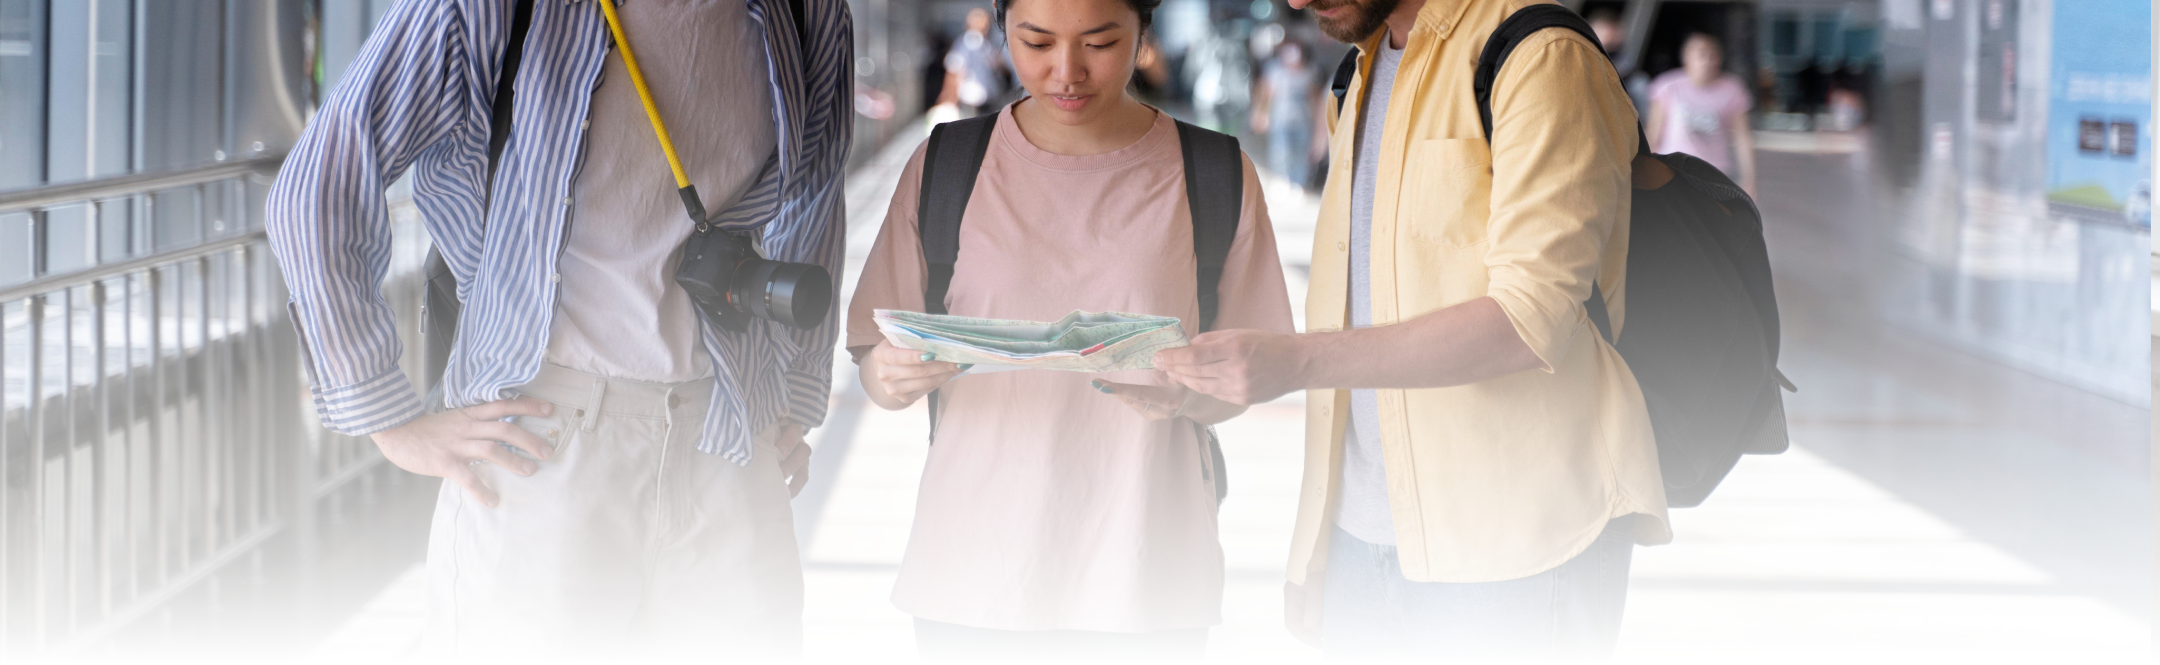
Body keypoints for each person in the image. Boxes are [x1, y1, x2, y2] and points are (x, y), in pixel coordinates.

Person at [264, 0, 850, 658]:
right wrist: (387, 415)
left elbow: (815, 190)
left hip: (732, 437)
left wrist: (793, 394)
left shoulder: (808, 10)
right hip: (542, 438)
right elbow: (320, 181)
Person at [1155, 0, 1671, 659]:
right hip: (1363, 540)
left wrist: (1298, 362)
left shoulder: (1538, 55)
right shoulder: (1358, 75)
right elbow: (1361, 304)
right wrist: (1320, 542)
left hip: (1518, 546)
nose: (1296, 3)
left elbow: (1527, 319)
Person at [845, 0, 1294, 657]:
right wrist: (887, 375)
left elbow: (1257, 366)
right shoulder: (948, 167)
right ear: (1003, 32)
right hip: (972, 573)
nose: (1066, 71)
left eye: (1100, 42)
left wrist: (1191, 396)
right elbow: (875, 360)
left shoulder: (1213, 174)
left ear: (1145, 30)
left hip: (1146, 575)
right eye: (1036, 42)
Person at [1647, 31, 1757, 192]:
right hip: (1672, 171)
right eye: (1701, 55)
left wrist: (1749, 178)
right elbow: (1653, 133)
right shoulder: (1668, 86)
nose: (1707, 61)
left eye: (1713, 55)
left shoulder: (1732, 89)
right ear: (1686, 58)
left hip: (1715, 173)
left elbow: (1742, 137)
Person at [1251, 39, 1319, 186]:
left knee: (1300, 154)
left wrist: (1317, 124)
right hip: (1280, 119)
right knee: (1279, 152)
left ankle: (1298, 184)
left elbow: (1314, 98)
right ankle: (1281, 181)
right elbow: (1265, 94)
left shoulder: (1309, 72)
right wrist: (1261, 114)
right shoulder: (1275, 71)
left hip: (1303, 121)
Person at [939, 7, 1013, 117]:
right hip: (971, 98)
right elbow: (954, 71)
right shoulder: (966, 43)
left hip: (986, 99)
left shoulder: (985, 45)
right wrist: (948, 98)